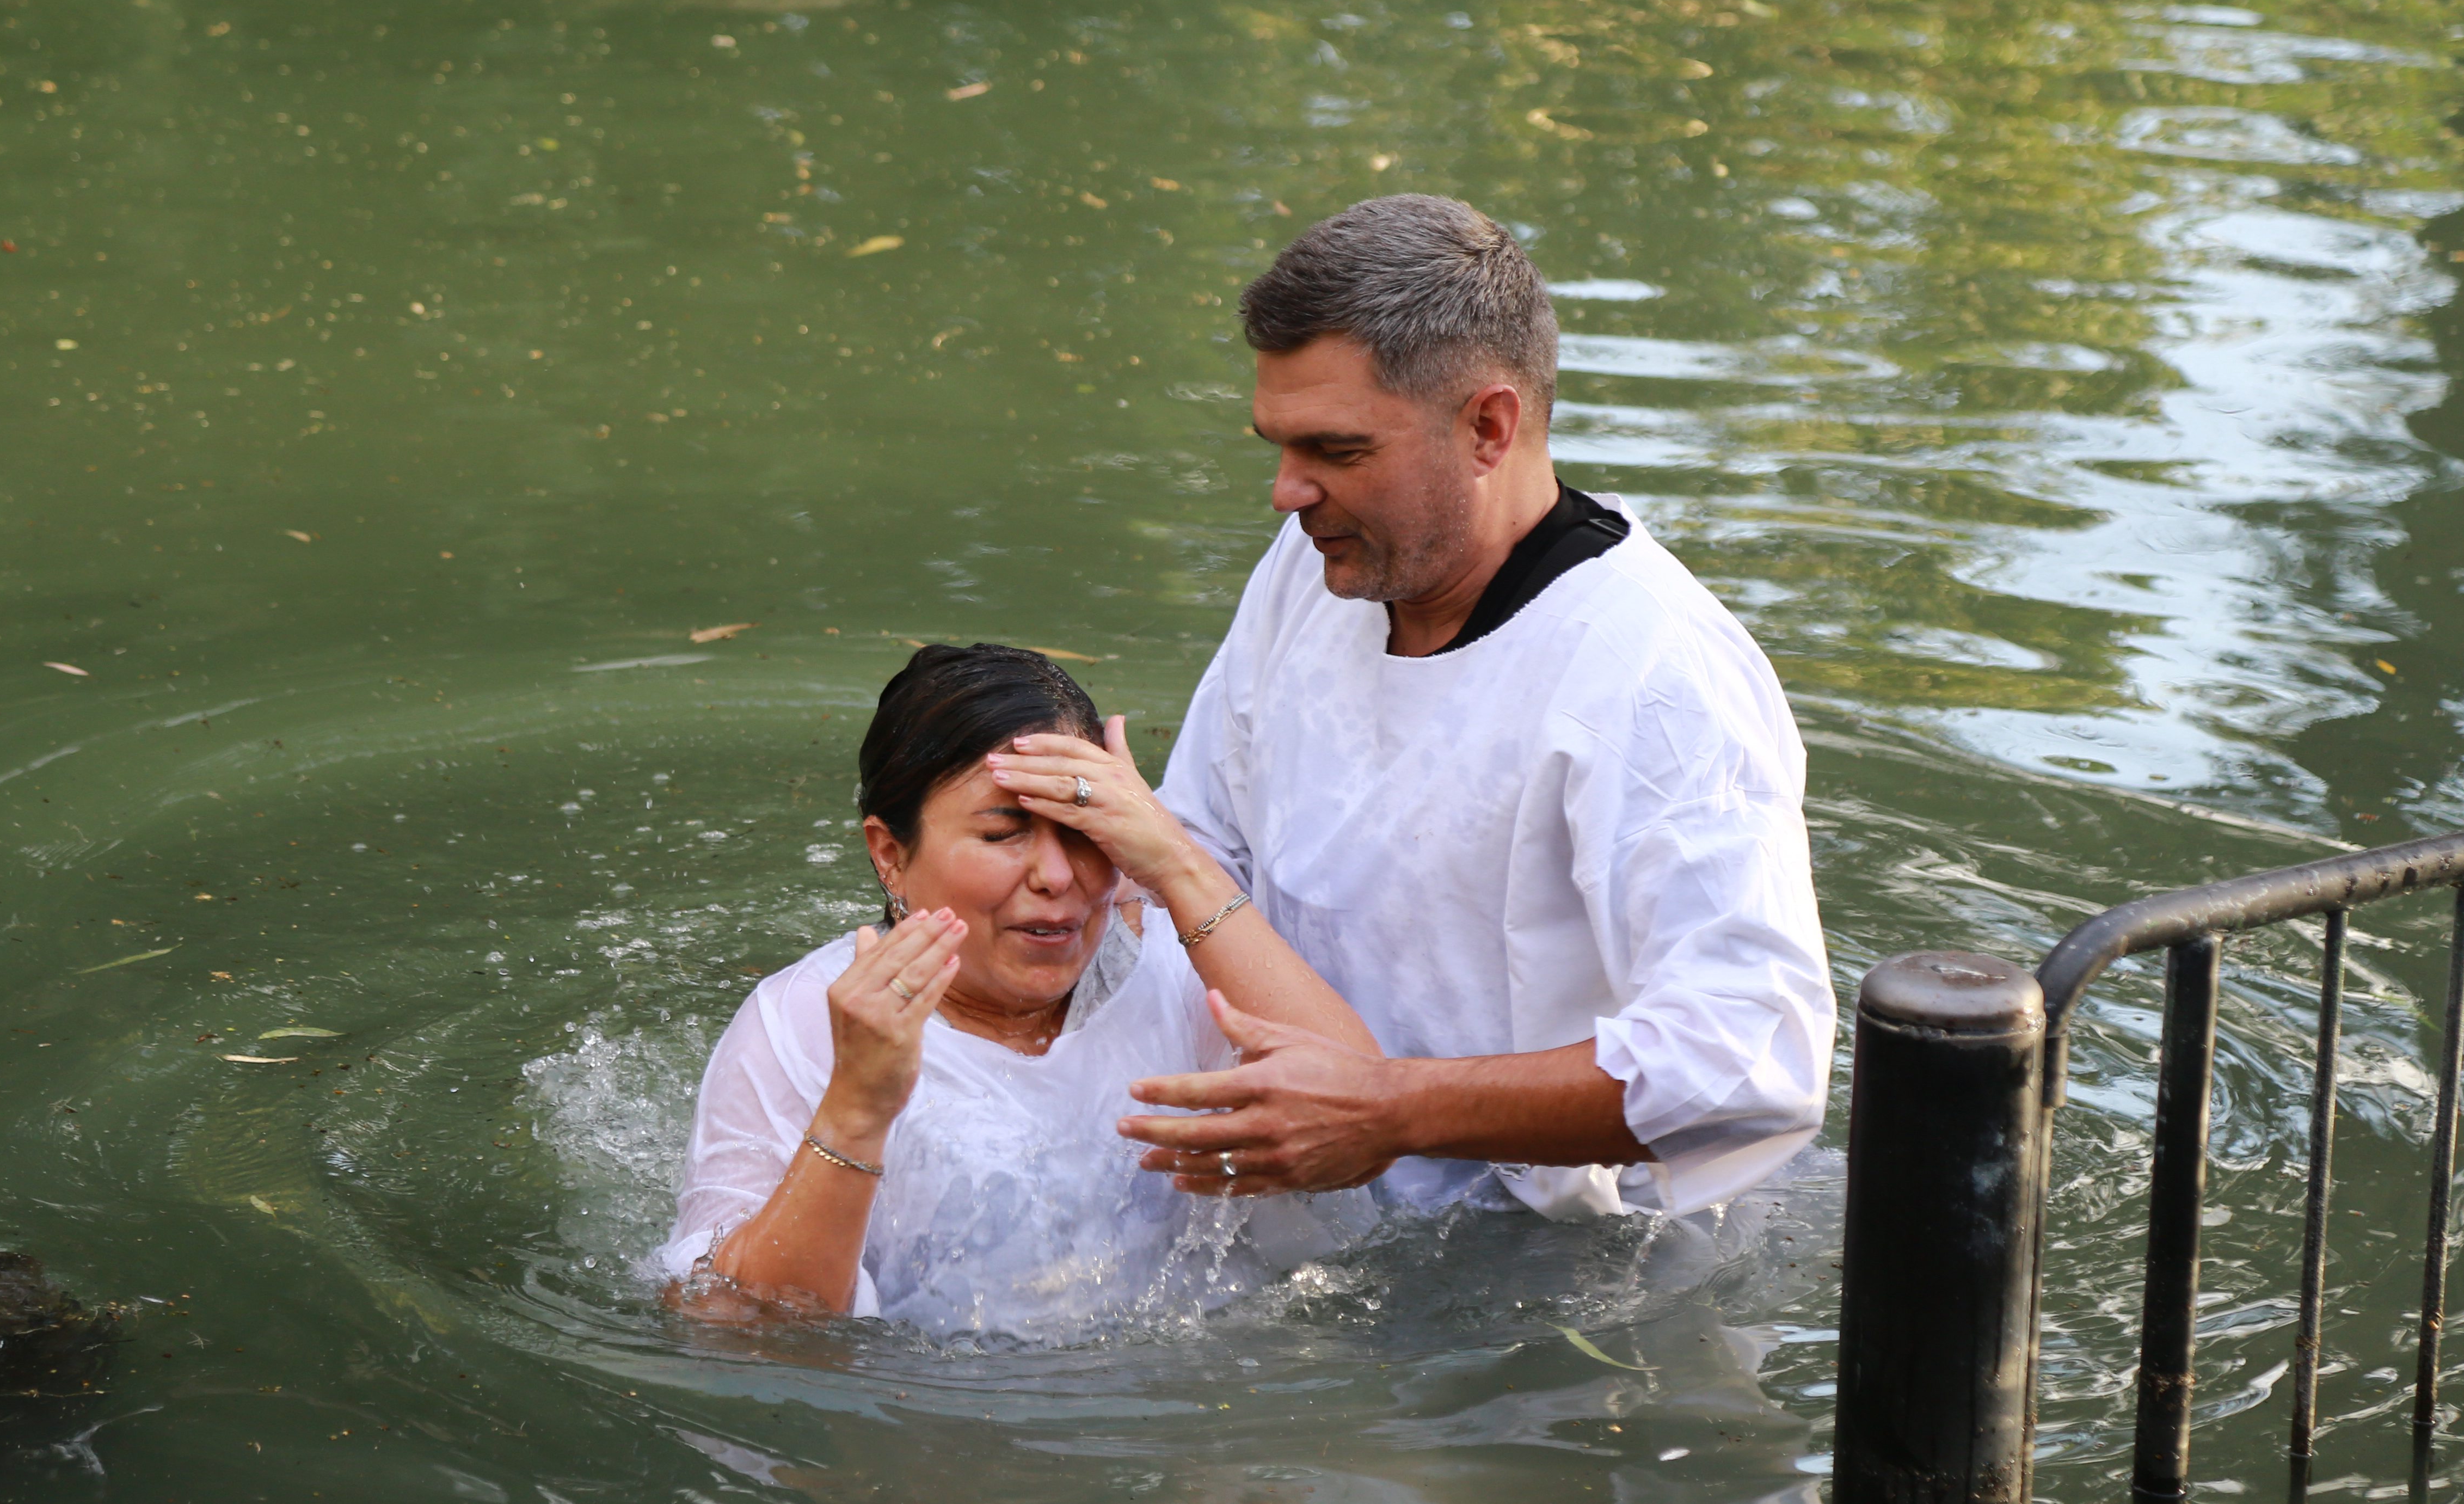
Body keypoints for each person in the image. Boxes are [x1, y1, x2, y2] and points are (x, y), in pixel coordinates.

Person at [1044, 193, 1834, 1220]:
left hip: (1565, 1270)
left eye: (1338, 451)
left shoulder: (1655, 674)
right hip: (1300, 1197)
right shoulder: (1314, 566)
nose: (1286, 491)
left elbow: (1748, 1055)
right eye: (1278, 445)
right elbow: (1199, 848)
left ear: (1488, 427)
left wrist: (1392, 1112)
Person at [651, 643, 1381, 1334]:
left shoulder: (1191, 964)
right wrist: (856, 1110)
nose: (1056, 877)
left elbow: (1371, 1121)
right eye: (1004, 834)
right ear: (890, 856)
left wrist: (1177, 866)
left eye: (1083, 828)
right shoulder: (804, 1025)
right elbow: (733, 1325)